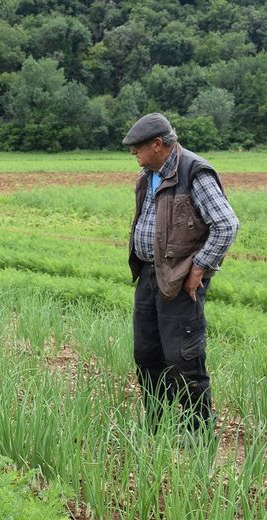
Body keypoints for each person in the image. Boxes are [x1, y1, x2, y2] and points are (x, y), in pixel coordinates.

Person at [124, 113, 238, 431]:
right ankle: (159, 427)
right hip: (149, 276)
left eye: (137, 148)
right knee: (147, 356)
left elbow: (227, 225)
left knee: (183, 360)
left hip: (181, 279)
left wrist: (200, 267)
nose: (134, 154)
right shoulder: (149, 174)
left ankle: (197, 435)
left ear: (157, 144)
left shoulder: (193, 172)